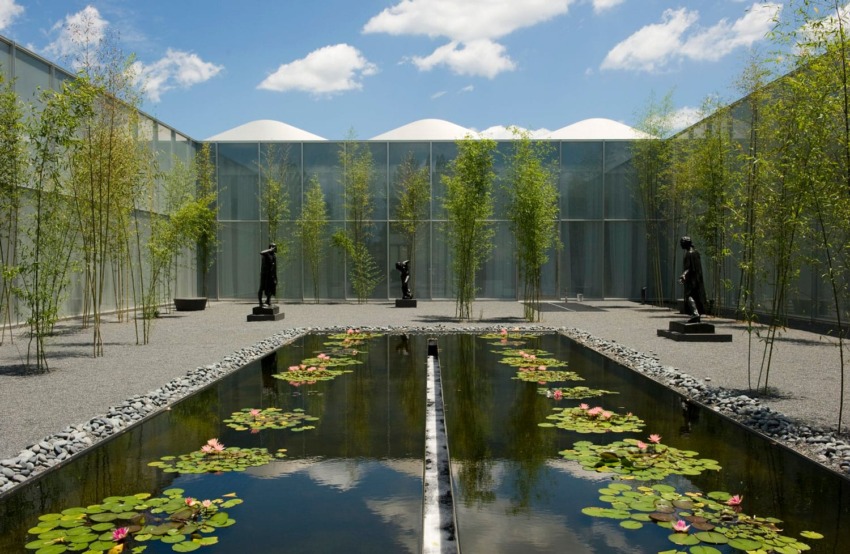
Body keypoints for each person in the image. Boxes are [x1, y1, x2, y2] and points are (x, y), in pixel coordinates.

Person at [679, 236, 706, 323]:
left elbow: (688, 268)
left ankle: (695, 314)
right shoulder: (696, 252)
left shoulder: (689, 254)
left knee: (689, 296)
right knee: (696, 296)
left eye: (682, 243)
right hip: (697, 279)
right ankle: (697, 314)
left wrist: (683, 275)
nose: (681, 244)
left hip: (691, 279)